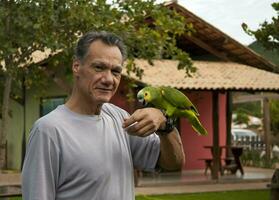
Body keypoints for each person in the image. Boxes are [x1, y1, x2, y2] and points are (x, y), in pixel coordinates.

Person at [22, 31, 185, 200]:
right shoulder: (48, 131)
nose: (108, 79)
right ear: (76, 67)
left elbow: (173, 164)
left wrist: (166, 125)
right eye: (99, 67)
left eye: (115, 71)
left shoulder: (120, 118)